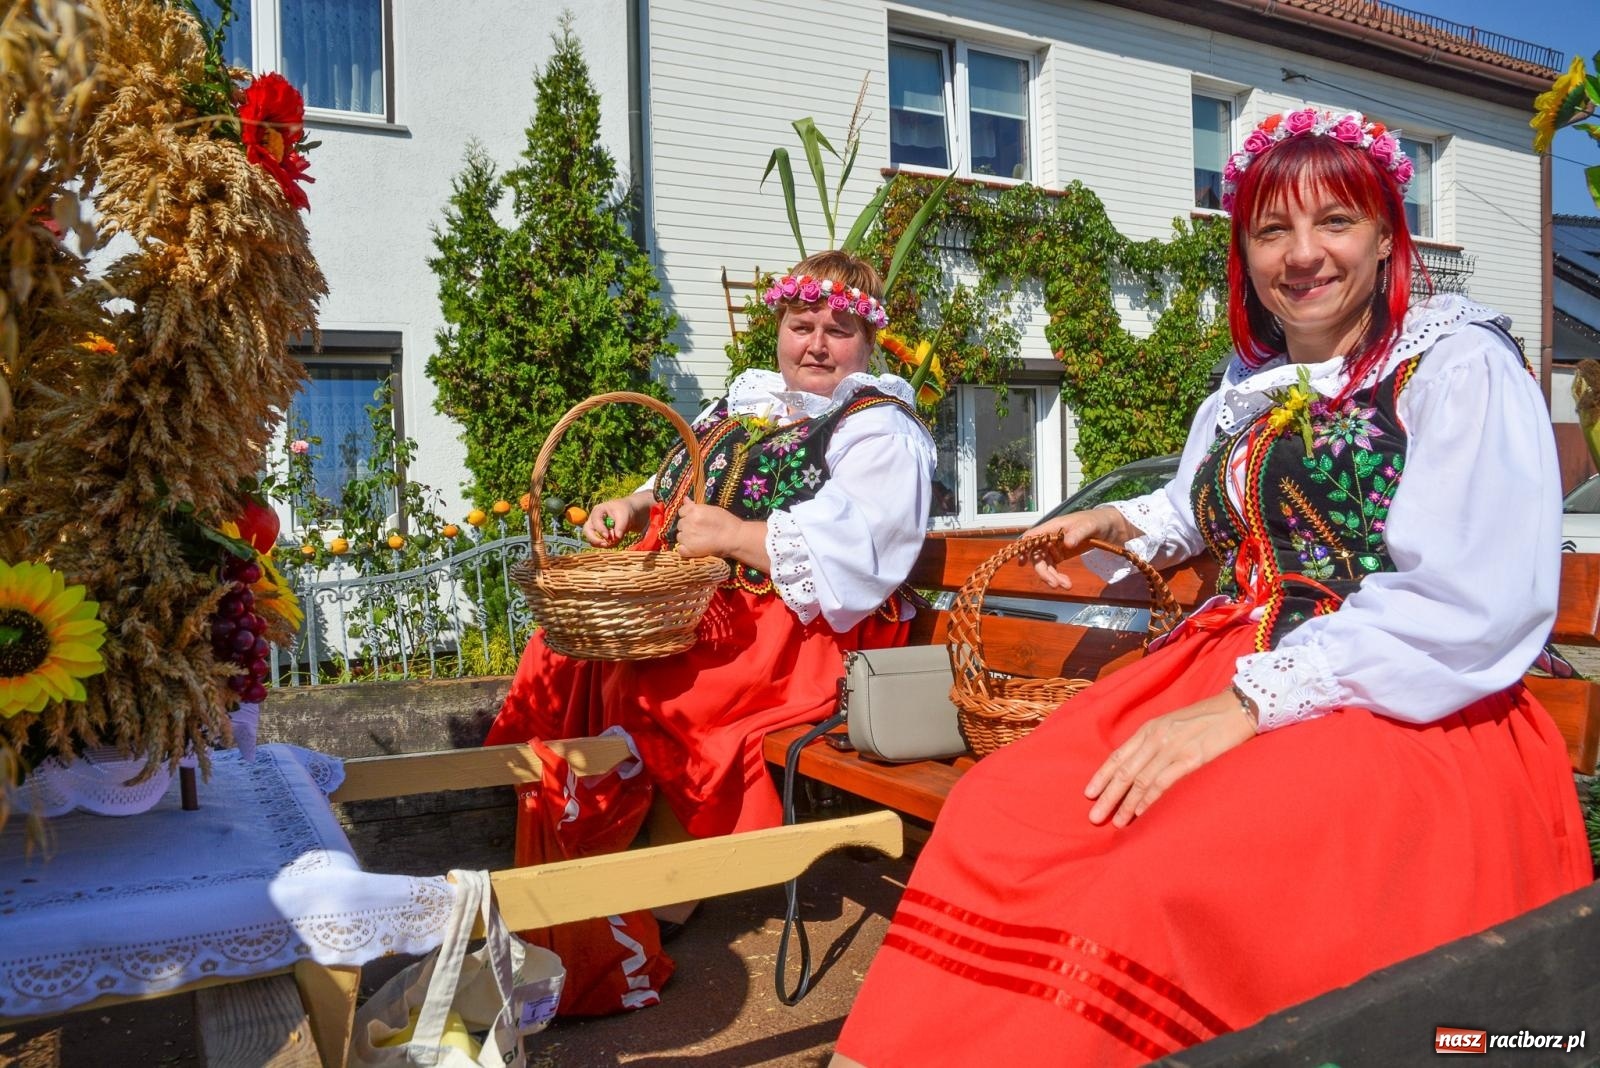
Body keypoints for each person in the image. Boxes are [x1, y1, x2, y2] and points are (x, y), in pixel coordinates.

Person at [834, 109, 1593, 1065]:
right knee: (999, 809)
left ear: (1389, 235)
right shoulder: (1256, 378)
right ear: (1243, 250)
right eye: (1273, 230)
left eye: (1336, 223)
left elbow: (1470, 598)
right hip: (1235, 665)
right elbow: (1210, 501)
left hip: (1400, 695)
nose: (1303, 254)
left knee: (1151, 879)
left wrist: (1247, 705)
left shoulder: (1457, 363)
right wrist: (1126, 520)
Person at [486, 249, 936, 856]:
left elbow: (860, 550)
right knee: (559, 653)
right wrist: (633, 505)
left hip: (807, 628)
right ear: (780, 330)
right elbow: (684, 474)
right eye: (801, 327)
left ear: (868, 339)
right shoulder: (749, 402)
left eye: (838, 330)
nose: (816, 346)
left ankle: (667, 867)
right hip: (708, 603)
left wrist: (730, 536)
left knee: (653, 687)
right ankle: (584, 835)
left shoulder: (878, 426)